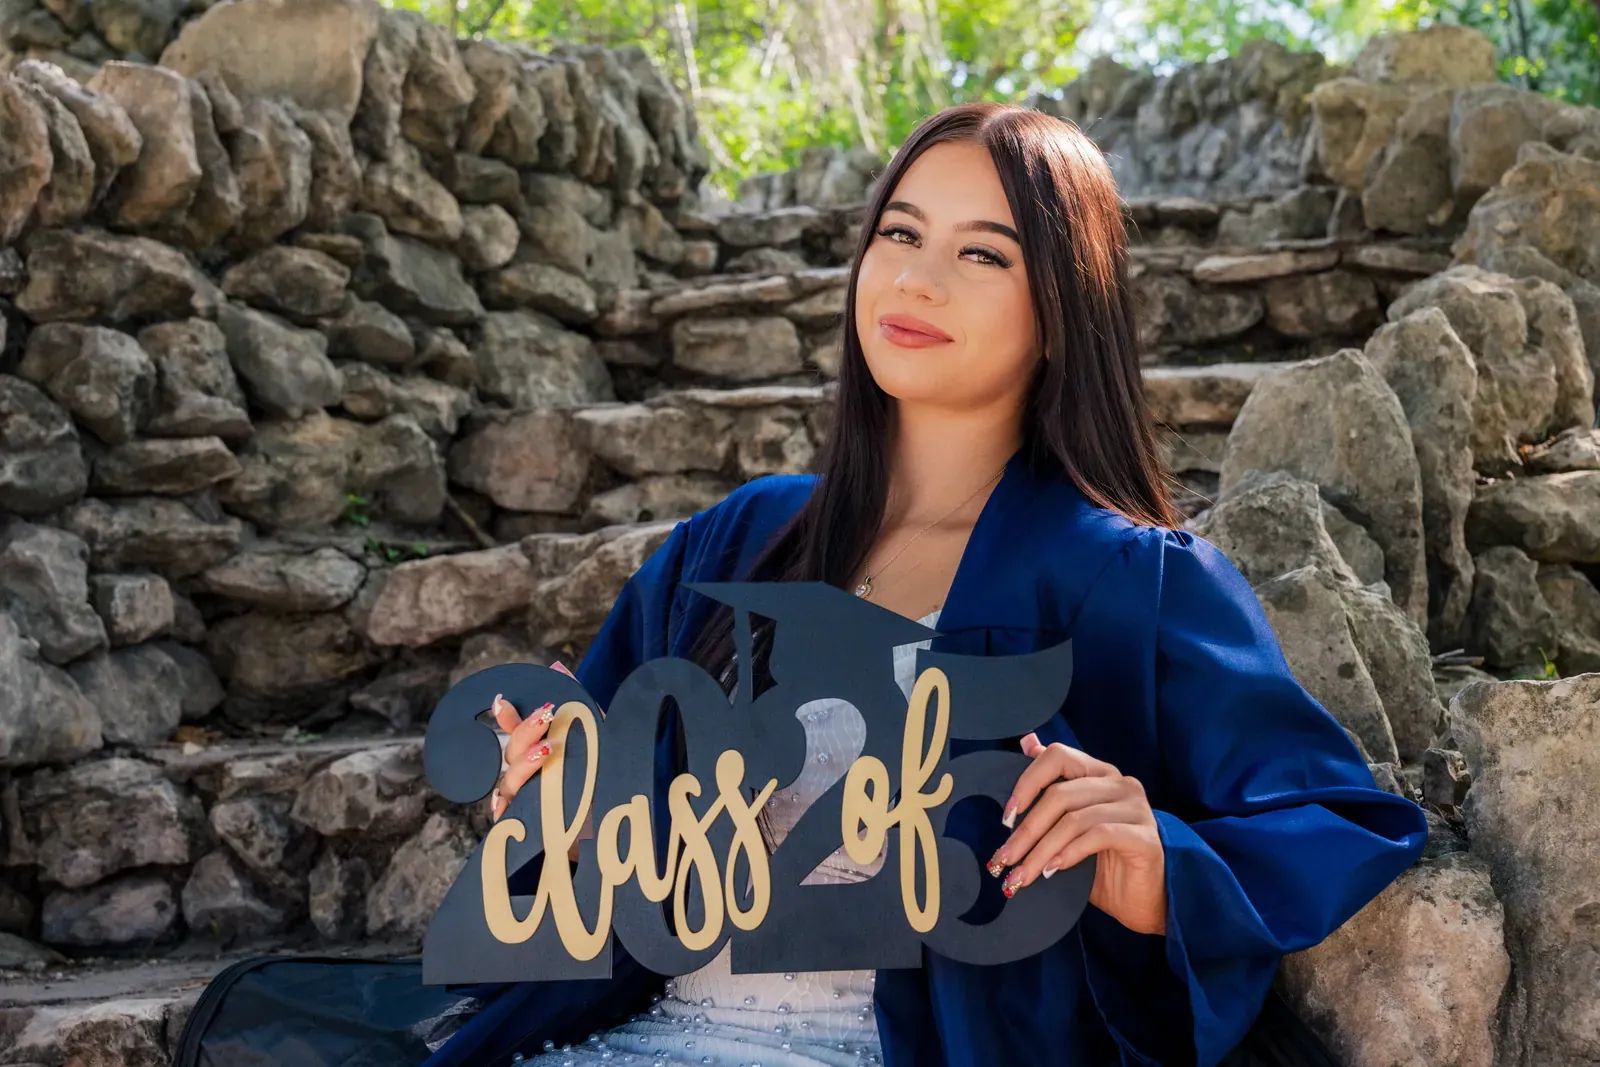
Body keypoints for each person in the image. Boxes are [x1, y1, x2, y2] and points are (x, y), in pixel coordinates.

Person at [420, 101, 1428, 1067]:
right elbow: (596, 850)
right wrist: (559, 804)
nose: (917, 278)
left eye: (981, 252)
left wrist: (1156, 863)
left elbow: (1331, 818)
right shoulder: (733, 545)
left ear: (1061, 308)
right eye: (899, 235)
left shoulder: (1128, 580)